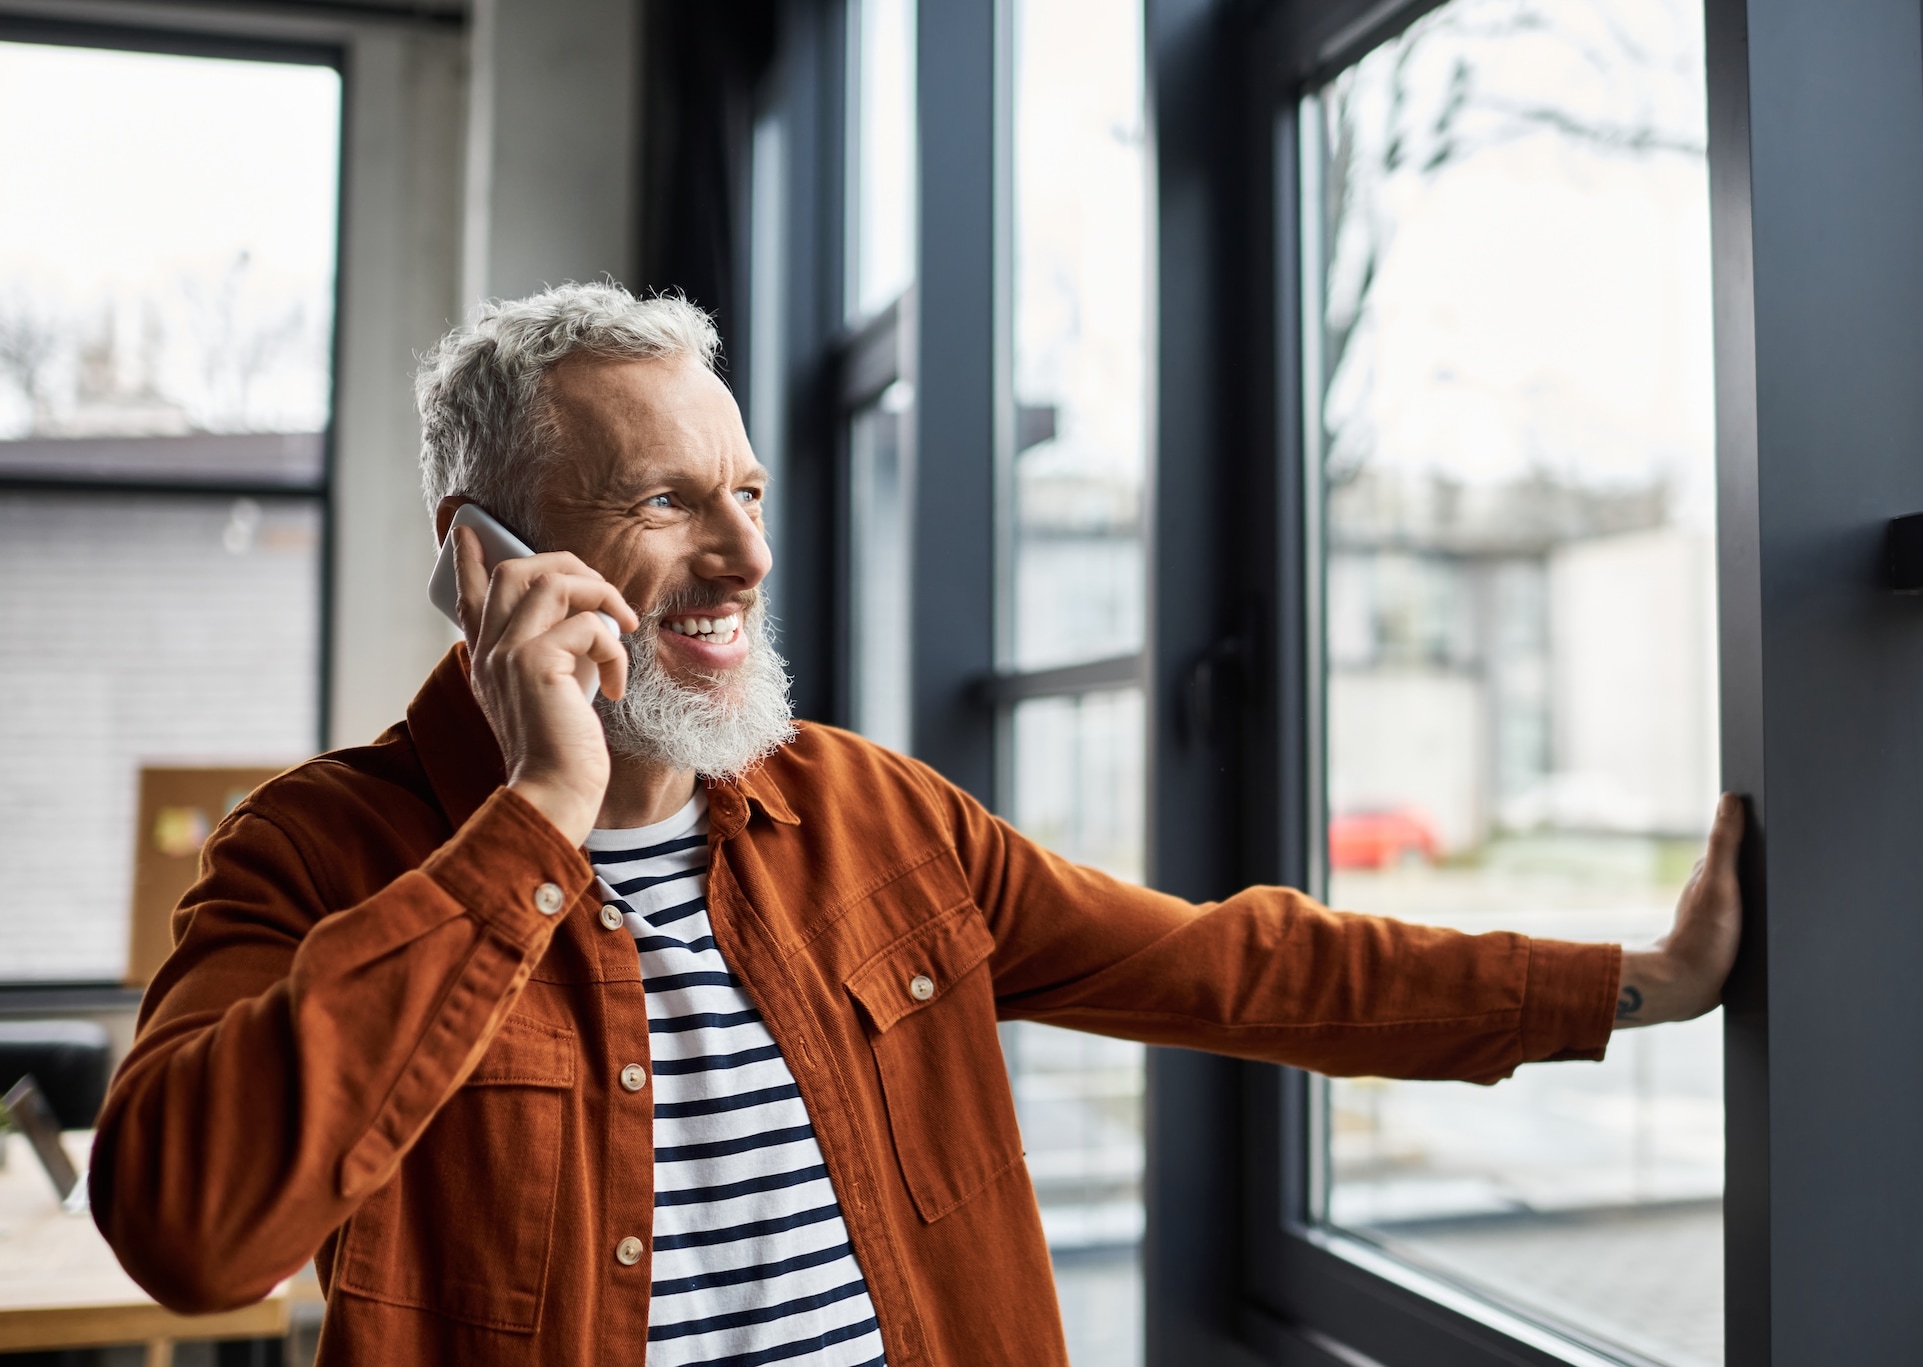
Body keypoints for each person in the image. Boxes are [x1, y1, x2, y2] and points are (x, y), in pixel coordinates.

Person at [90, 283, 1743, 1367]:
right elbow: (190, 1235)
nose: (741, 560)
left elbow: (1239, 969)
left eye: (745, 494)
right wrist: (533, 821)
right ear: (483, 558)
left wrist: (1635, 984)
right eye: (667, 501)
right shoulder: (318, 856)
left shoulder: (874, 819)